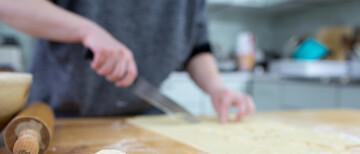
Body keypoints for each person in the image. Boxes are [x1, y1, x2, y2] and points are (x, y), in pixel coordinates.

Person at [0, 0, 255, 123]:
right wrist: (86, 30)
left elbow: (197, 46)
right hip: (58, 120)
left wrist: (217, 88)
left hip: (147, 119)